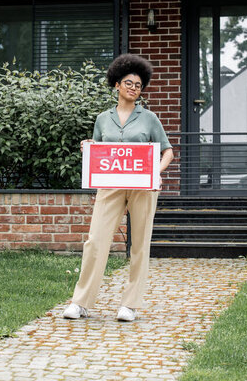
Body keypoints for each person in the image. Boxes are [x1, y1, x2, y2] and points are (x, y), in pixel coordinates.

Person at [63, 53, 174, 322]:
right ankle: (81, 302)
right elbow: (99, 151)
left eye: (138, 85)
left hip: (143, 188)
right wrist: (87, 148)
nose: (133, 88)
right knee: (95, 241)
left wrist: (154, 173)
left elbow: (167, 152)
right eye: (128, 83)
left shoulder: (149, 118)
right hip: (110, 187)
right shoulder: (103, 119)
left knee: (140, 244)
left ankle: (130, 305)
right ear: (116, 85)